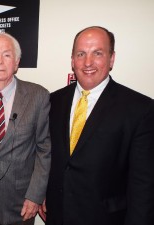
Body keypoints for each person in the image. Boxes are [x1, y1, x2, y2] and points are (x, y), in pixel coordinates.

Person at [39, 26, 154, 225]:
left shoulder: (140, 109)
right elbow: (47, 156)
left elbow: (143, 185)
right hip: (57, 216)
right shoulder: (52, 101)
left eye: (97, 53)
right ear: (72, 60)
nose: (88, 62)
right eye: (81, 54)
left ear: (111, 59)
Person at [0, 33, 51, 225]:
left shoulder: (38, 96)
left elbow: (44, 150)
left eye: (6, 55)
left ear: (17, 62)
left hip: (20, 202)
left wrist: (35, 195)